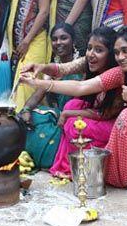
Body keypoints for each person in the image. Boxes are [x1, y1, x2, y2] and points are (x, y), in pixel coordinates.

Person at [21, 26, 127, 188]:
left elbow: (107, 113)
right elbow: (80, 87)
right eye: (117, 52)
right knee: (80, 106)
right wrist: (38, 81)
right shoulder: (121, 73)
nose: (120, 57)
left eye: (126, 51)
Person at [22, 27, 120, 177]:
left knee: (74, 121)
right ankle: (65, 165)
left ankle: (74, 168)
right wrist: (40, 66)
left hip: (110, 123)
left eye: (99, 50)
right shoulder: (88, 61)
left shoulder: (116, 74)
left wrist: (67, 113)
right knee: (72, 106)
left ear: (111, 54)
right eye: (89, 48)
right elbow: (62, 69)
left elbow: (103, 113)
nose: (91, 54)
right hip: (90, 114)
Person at [19, 23, 82, 169]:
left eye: (63, 38)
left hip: (77, 117)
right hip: (58, 117)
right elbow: (38, 94)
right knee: (27, 119)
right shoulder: (51, 68)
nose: (58, 43)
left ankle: (51, 159)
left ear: (73, 41)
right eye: (54, 39)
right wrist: (26, 110)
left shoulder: (83, 65)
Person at [7, 0, 57, 111]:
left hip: (34, 40)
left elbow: (43, 12)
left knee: (27, 84)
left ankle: (27, 131)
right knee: (18, 85)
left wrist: (27, 40)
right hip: (15, 43)